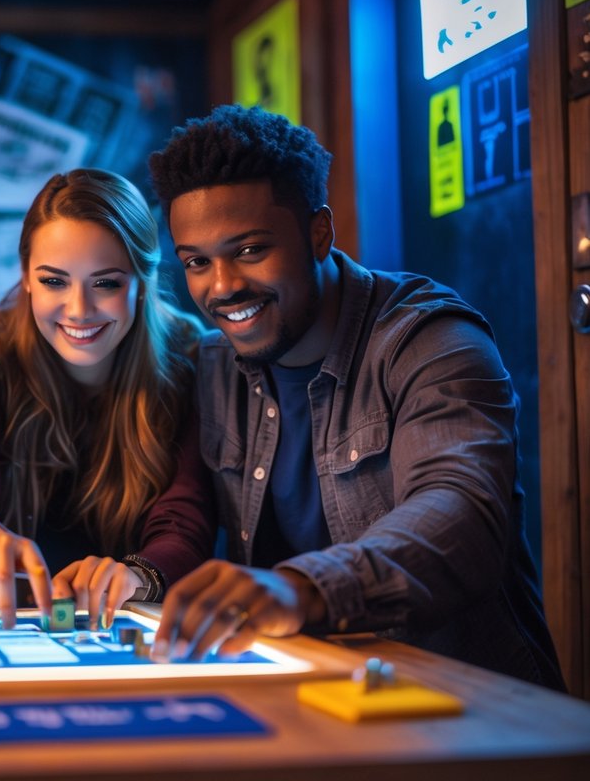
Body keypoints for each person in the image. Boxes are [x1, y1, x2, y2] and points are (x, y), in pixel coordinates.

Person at [146, 104, 564, 689]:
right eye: (196, 262)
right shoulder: (212, 366)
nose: (222, 287)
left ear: (320, 233)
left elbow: (462, 510)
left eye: (249, 250)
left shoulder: (430, 339)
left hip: (466, 707)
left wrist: (303, 588)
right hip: (305, 697)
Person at [0, 168, 215, 635]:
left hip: (126, 627)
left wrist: (133, 576)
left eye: (105, 283)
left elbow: (185, 520)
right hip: (10, 627)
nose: (79, 309)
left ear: (141, 282)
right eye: (54, 282)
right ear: (25, 278)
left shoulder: (191, 355)